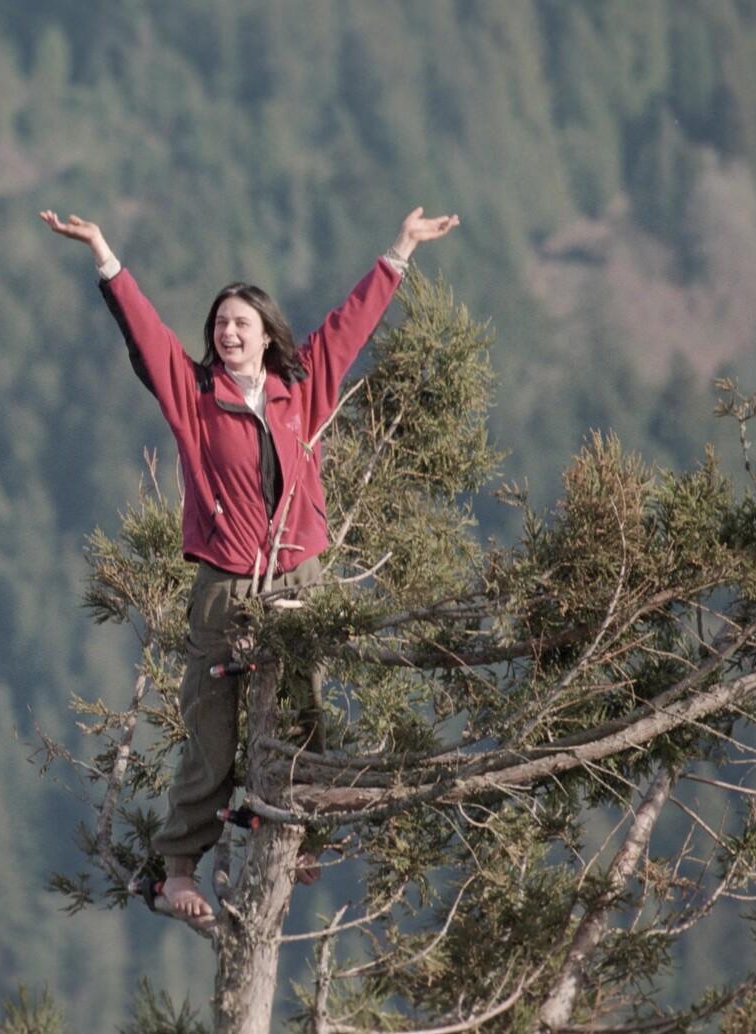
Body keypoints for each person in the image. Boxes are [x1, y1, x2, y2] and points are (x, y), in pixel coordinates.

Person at [41, 205, 460, 920]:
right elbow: (144, 332)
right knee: (211, 732)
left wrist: (402, 248)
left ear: (267, 336)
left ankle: (294, 843)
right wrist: (104, 253)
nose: (226, 333)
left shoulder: (304, 388)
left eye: (240, 324)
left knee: (303, 718)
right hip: (224, 586)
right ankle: (179, 872)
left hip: (301, 579)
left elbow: (351, 325)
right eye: (219, 325)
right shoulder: (194, 398)